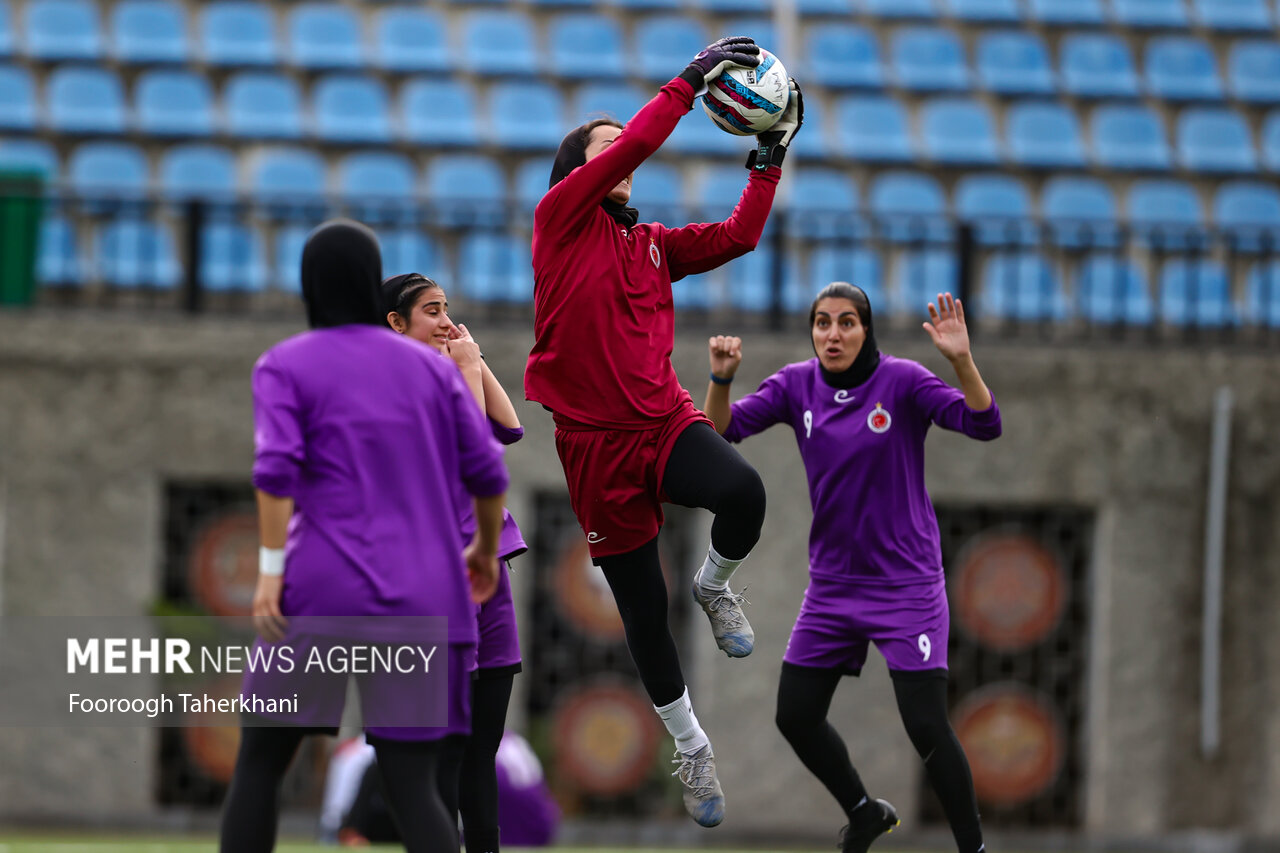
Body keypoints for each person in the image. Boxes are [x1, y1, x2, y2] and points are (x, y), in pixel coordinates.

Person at [524, 36, 804, 828]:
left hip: (664, 422)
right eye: (605, 145)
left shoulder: (649, 246)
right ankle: (691, 746)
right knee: (643, 614)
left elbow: (739, 237)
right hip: (593, 446)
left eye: (622, 142)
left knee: (744, 492)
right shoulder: (560, 220)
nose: (625, 152)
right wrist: (690, 79)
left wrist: (770, 154)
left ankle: (714, 585)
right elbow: (647, 135)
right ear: (577, 168)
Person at [219, 220, 509, 853]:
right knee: (413, 786)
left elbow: (275, 473)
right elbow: (488, 470)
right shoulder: (430, 372)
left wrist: (271, 571)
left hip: (317, 587)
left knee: (261, 763)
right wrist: (484, 550)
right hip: (422, 596)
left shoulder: (284, 364)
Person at [703, 285, 1000, 853]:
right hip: (833, 589)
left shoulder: (904, 382)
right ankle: (864, 813)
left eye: (846, 323)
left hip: (906, 587)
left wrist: (962, 360)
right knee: (795, 714)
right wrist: (721, 379)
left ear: (867, 331)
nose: (832, 335)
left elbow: (984, 425)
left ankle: (973, 850)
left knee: (926, 725)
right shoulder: (796, 385)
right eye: (821, 323)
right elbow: (720, 433)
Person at [382, 272, 526, 853]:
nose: (445, 321)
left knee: (481, 752)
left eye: (448, 309)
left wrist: (473, 358)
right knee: (441, 749)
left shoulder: (452, 371)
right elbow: (465, 454)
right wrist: (464, 368)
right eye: (431, 312)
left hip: (489, 580)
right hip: (435, 584)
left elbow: (509, 427)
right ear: (396, 323)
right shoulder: (392, 384)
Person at [320, 731, 560, 848]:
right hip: (540, 830)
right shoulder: (513, 740)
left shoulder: (364, 748)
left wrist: (346, 828)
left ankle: (352, 830)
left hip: (471, 824)